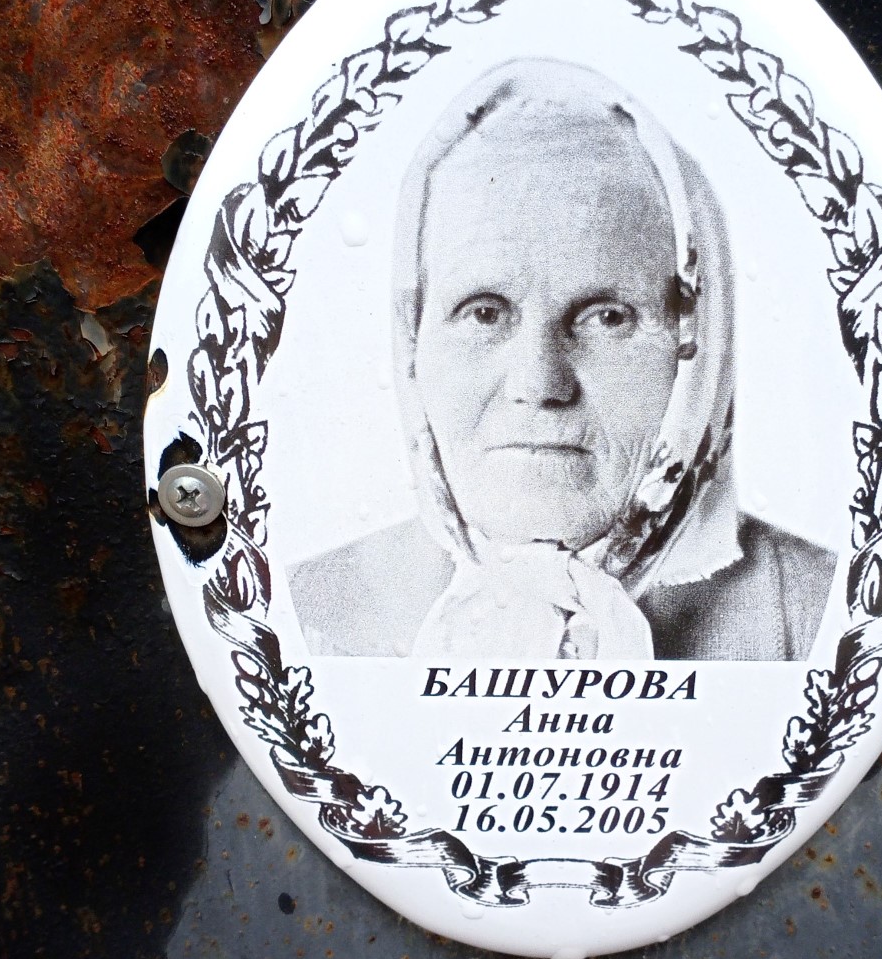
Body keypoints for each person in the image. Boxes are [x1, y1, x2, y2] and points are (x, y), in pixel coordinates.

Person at [289, 58, 836, 661]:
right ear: (413, 339)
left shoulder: (829, 617)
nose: (539, 382)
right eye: (484, 313)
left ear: (696, 342)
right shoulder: (302, 617)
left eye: (606, 317)